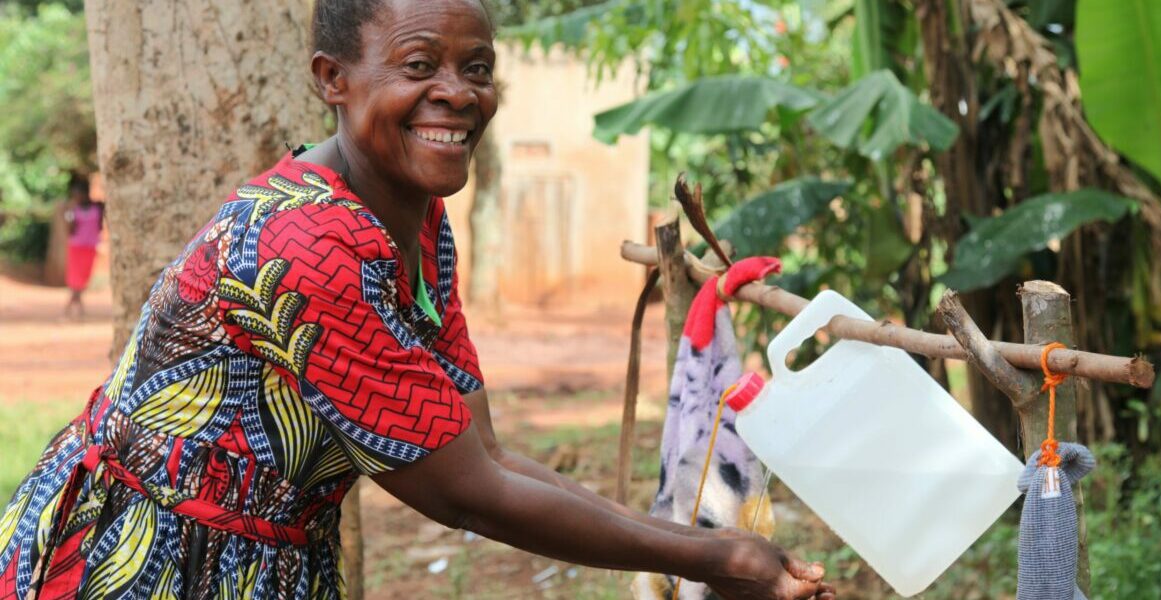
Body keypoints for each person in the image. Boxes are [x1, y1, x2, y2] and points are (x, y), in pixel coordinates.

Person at [0, 1, 835, 598]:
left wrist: (708, 546)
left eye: (477, 69)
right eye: (418, 65)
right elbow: (465, 491)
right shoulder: (308, 246)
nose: (458, 93)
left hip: (265, 556)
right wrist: (720, 561)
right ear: (333, 79)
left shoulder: (418, 221)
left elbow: (486, 452)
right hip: (144, 561)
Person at [62, 174, 103, 319]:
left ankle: (72, 308)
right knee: (75, 277)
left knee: (84, 277)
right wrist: (69, 213)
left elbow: (100, 226)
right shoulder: (73, 210)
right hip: (76, 247)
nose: (76, 197)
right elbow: (70, 230)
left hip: (91, 247)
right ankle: (77, 310)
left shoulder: (98, 207)